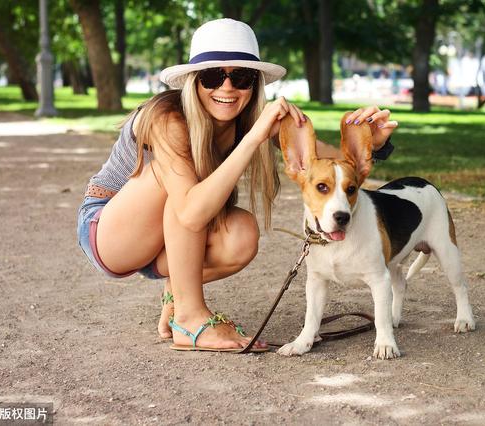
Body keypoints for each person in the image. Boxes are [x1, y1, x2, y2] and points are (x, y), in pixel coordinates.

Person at [77, 18, 398, 352]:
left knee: (242, 233)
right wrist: (256, 135)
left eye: (241, 77)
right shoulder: (166, 116)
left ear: (255, 83)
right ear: (193, 81)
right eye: (213, 76)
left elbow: (324, 162)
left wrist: (373, 144)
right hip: (109, 231)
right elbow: (188, 209)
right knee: (174, 184)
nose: (227, 88)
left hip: (167, 238)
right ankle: (190, 320)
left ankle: (178, 294)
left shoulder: (248, 117)